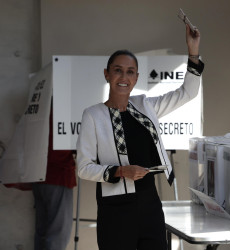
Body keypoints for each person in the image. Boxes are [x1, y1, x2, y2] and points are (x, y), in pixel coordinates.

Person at [76, 23, 203, 250]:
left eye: (130, 71)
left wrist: (193, 52)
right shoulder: (93, 115)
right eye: (117, 70)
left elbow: (188, 92)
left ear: (136, 77)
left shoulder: (146, 105)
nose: (124, 76)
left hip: (149, 203)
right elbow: (83, 167)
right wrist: (120, 171)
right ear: (107, 74)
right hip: (114, 207)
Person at [32, 101, 76, 250]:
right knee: (57, 234)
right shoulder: (64, 114)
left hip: (38, 175)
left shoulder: (41, 109)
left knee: (42, 231)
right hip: (58, 176)